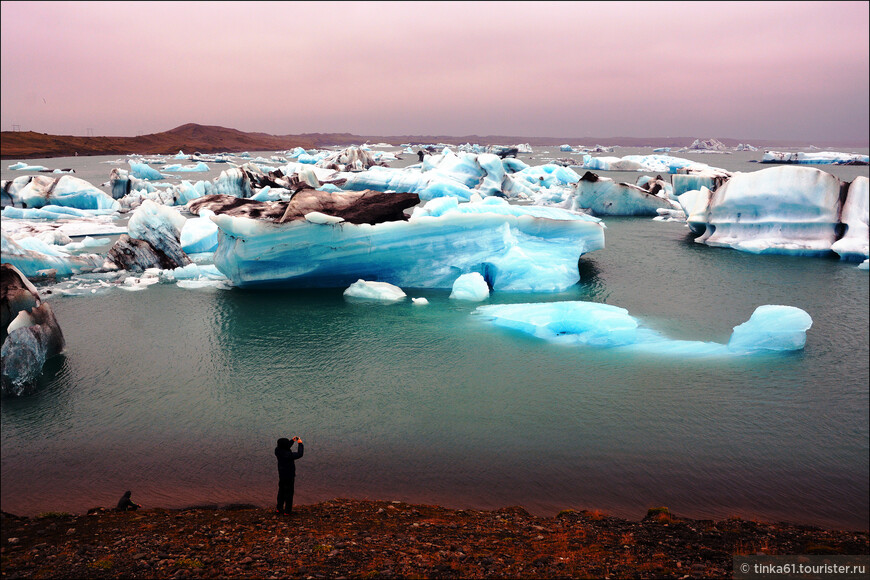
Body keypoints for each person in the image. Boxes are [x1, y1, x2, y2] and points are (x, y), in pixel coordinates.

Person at [274, 436, 304, 515]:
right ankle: (287, 511)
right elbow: (300, 454)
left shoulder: (277, 450)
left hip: (281, 475)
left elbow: (285, 447)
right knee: (289, 493)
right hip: (289, 475)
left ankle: (279, 509)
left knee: (281, 492)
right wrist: (300, 444)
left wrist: (292, 441)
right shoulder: (288, 455)